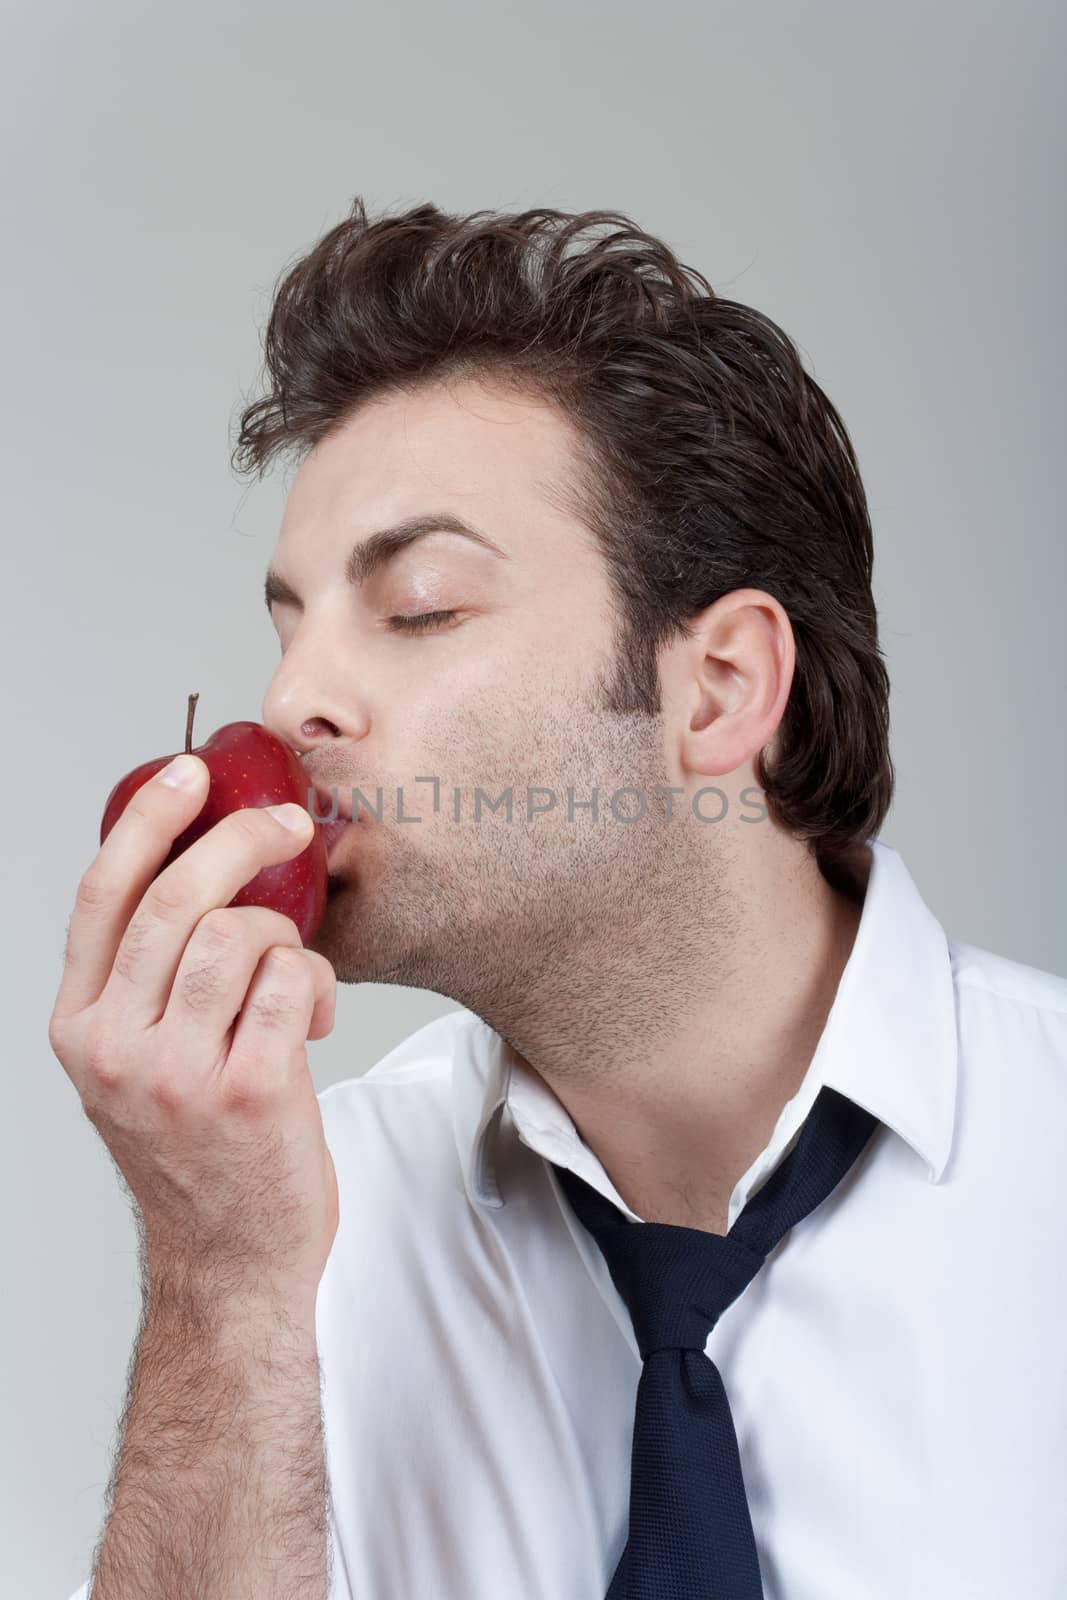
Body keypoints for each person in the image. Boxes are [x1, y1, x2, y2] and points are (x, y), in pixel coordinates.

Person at [55, 200, 1067, 1600]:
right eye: (286, 627)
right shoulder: (292, 1226)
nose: (290, 703)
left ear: (715, 690)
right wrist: (216, 1276)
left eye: (417, 607)